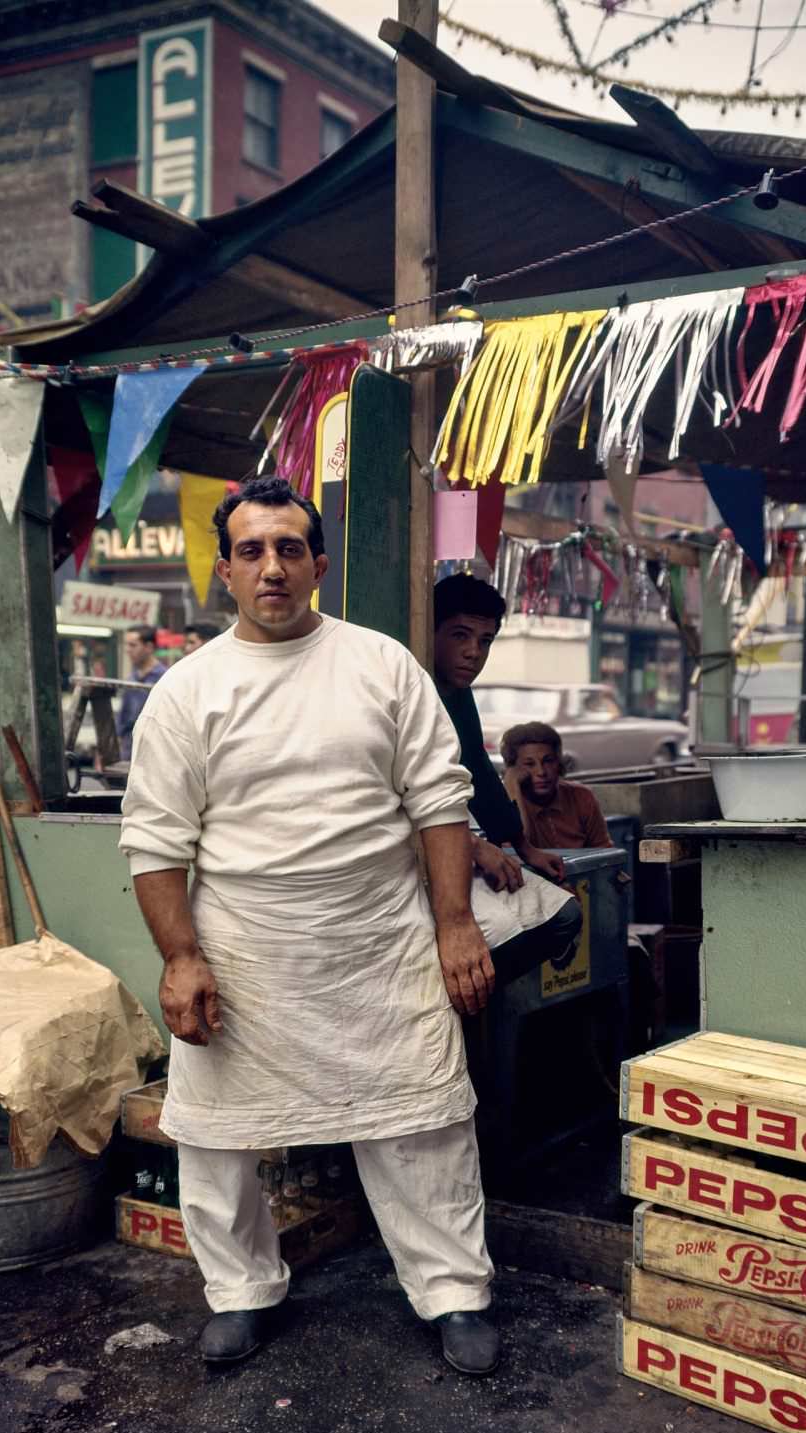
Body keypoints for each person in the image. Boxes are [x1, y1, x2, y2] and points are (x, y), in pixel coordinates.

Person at [119, 476, 500, 1377]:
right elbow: (155, 842)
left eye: (290, 548)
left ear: (318, 564)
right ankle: (241, 1292)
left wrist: (455, 926)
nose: (273, 567)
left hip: (381, 942)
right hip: (245, 951)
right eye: (252, 550)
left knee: (423, 1122)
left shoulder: (381, 664)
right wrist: (181, 957)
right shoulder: (188, 691)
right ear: (226, 571)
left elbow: (441, 803)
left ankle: (453, 1292)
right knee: (215, 1138)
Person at [432, 573, 581, 984]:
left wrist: (523, 847)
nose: (472, 653)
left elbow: (477, 771)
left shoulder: (459, 696)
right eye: (459, 635)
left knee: (566, 915)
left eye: (484, 641)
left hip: (456, 844)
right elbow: (399, 797)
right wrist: (475, 847)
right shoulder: (413, 688)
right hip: (417, 855)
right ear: (430, 630)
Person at [502, 722, 613, 851]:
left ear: (559, 763)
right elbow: (516, 851)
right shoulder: (504, 801)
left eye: (548, 761)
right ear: (513, 769)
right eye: (529, 764)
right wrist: (512, 786)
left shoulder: (581, 796)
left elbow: (604, 851)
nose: (541, 772)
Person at [117, 625, 167, 761]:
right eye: (126, 645)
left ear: (149, 647)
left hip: (153, 752)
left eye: (133, 645)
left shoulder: (164, 678)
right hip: (128, 751)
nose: (128, 650)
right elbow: (124, 715)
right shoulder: (132, 677)